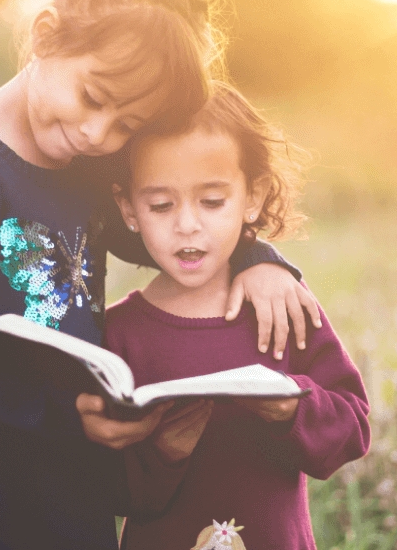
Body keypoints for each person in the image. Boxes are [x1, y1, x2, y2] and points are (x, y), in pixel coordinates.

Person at [0, 0, 321, 550]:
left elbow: (168, 239)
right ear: (44, 37)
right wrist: (63, 418)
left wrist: (258, 258)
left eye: (128, 124)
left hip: (69, 462)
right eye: (93, 97)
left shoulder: (85, 166)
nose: (98, 133)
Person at [107, 84, 371, 550]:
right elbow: (109, 491)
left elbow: (353, 429)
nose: (187, 224)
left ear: (253, 197)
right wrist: (162, 453)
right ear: (128, 208)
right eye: (160, 205)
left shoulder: (281, 306)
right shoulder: (119, 334)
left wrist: (294, 406)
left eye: (212, 202)